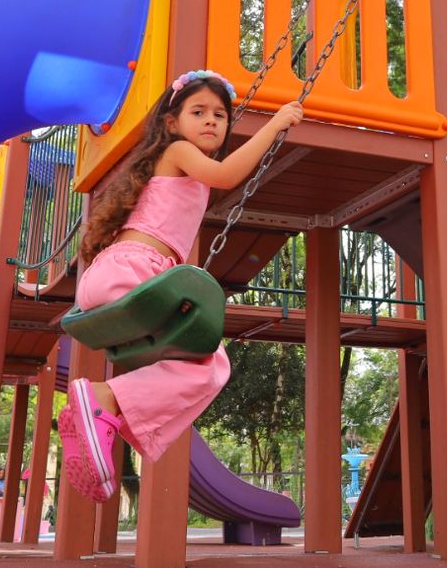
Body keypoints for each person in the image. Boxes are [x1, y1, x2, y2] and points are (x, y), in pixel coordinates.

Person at [57, 70, 303, 502]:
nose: (211, 121)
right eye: (199, 112)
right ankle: (105, 398)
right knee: (211, 362)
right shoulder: (179, 150)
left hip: (111, 278)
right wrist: (276, 124)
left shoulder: (168, 165)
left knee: (197, 361)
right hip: (135, 273)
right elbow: (226, 175)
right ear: (172, 122)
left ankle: (102, 424)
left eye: (220, 116)